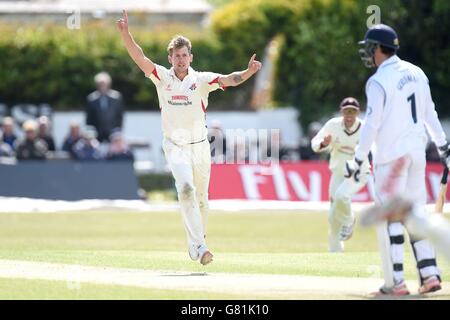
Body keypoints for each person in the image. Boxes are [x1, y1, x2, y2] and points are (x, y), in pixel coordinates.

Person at [117, 10, 262, 265]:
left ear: (190, 57)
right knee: (185, 190)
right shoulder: (162, 78)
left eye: (185, 55)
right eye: (177, 56)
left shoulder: (202, 80)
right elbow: (140, 58)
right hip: (175, 146)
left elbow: (230, 79)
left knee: (203, 200)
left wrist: (249, 72)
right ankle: (201, 245)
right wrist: (126, 35)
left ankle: (196, 240)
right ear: (170, 58)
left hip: (200, 147)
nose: (181, 60)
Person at [346, 24, 449, 295]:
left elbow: (371, 124)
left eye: (370, 48)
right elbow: (430, 114)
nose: (368, 53)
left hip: (391, 158)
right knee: (416, 214)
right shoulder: (417, 72)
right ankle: (429, 275)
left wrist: (358, 158)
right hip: (417, 155)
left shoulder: (379, 80)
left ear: (379, 49)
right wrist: (443, 147)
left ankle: (395, 283)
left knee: (390, 217)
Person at [311, 97, 370, 252]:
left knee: (342, 196)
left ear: (358, 113)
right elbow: (315, 143)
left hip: (359, 173)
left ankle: (349, 220)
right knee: (332, 215)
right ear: (341, 112)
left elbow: (375, 148)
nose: (349, 115)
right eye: (346, 111)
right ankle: (335, 250)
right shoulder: (333, 125)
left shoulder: (365, 128)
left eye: (353, 111)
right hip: (338, 173)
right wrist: (323, 143)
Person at [86, 71, 124, 142]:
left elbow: (120, 116)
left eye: (104, 84)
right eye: (100, 84)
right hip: (97, 134)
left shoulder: (116, 97)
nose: (102, 86)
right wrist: (91, 133)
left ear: (109, 84)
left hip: (113, 133)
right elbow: (89, 118)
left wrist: (118, 130)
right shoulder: (91, 99)